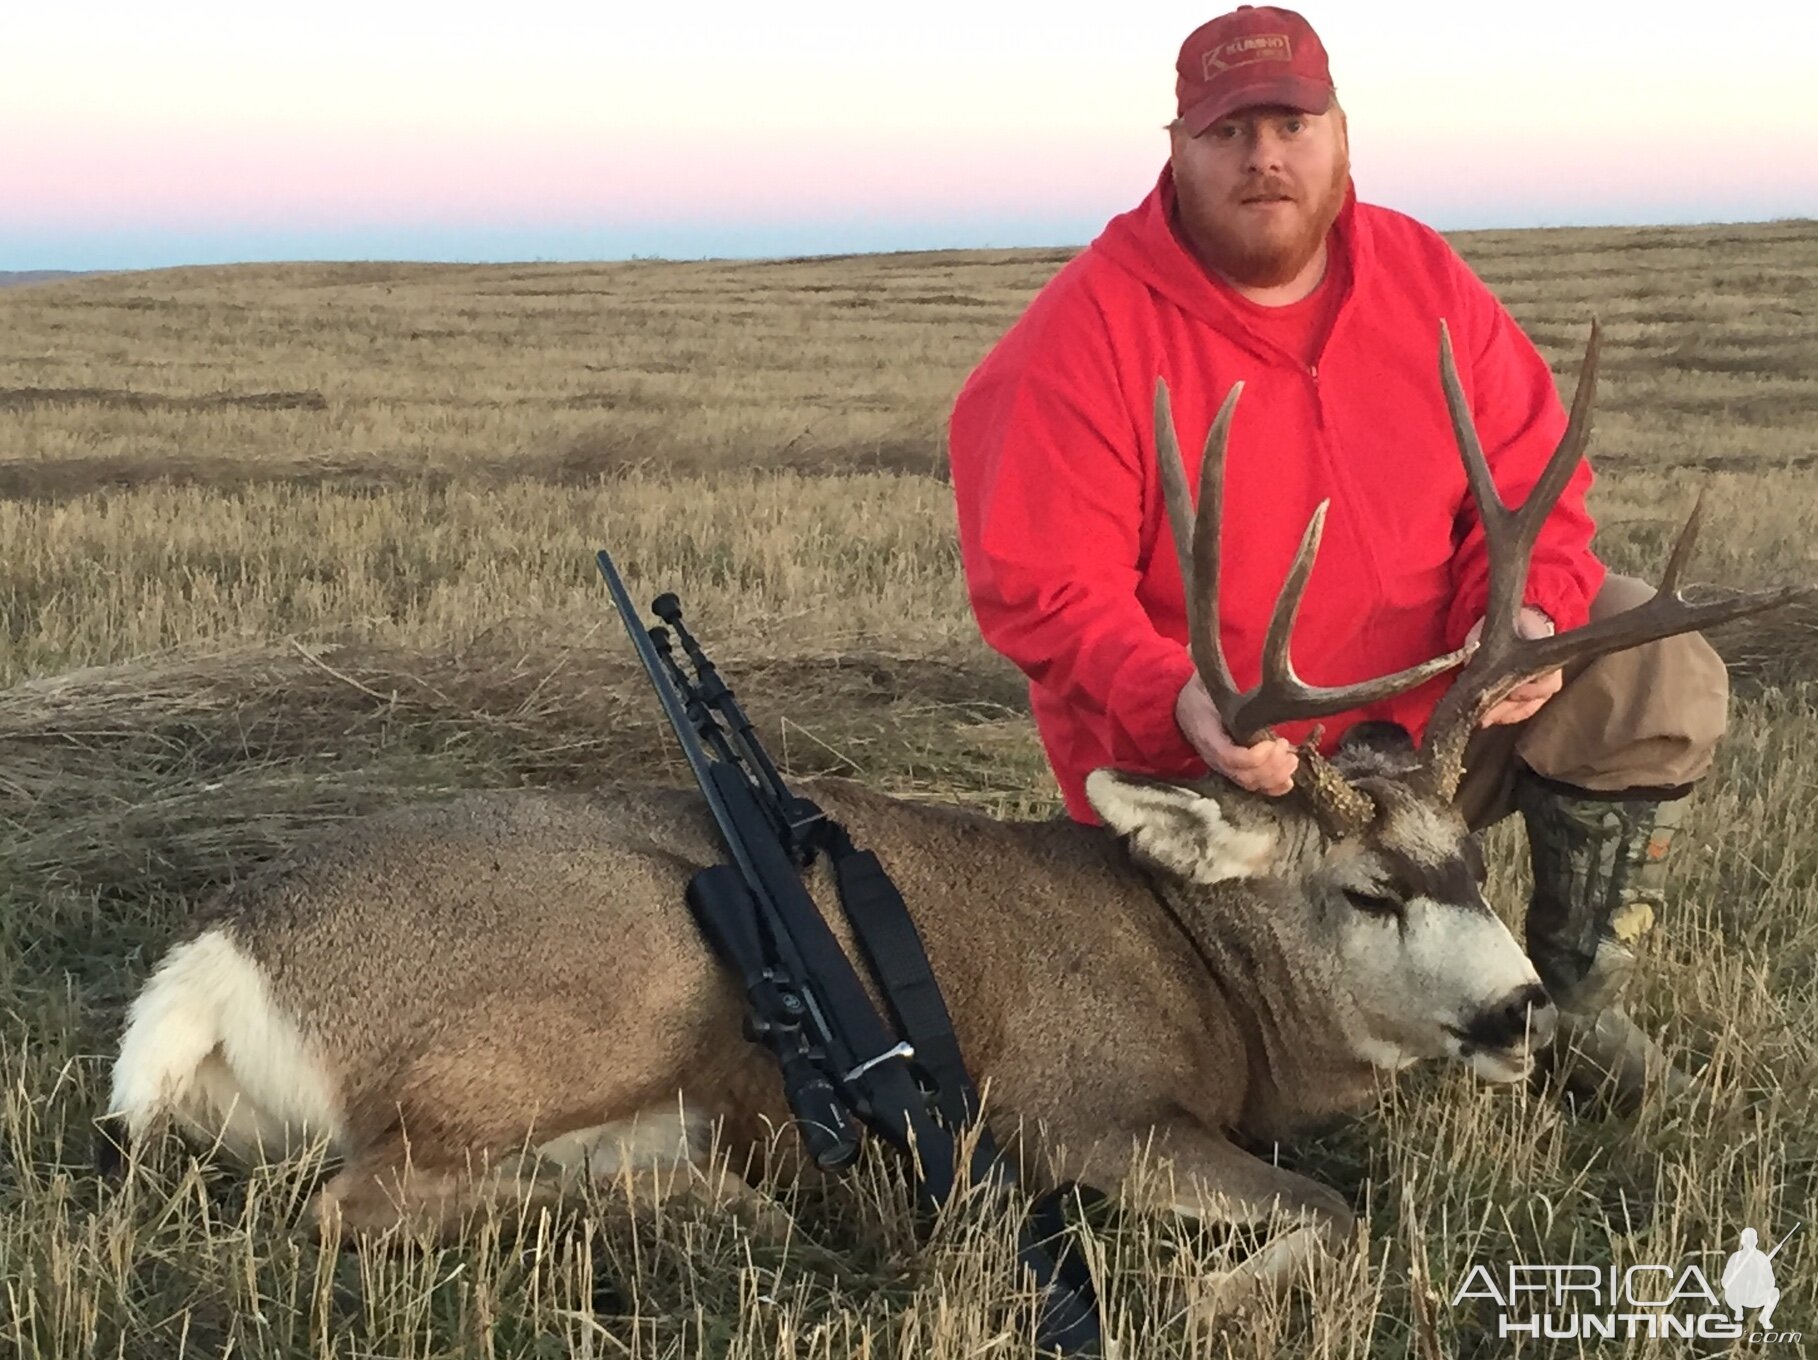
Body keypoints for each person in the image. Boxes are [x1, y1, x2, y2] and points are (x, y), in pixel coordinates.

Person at [945, 5, 1730, 1110]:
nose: (1265, 155)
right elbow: (1042, 589)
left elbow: (1531, 483)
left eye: (1292, 123)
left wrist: (1533, 617)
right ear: (1176, 147)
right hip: (1239, 776)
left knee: (1653, 659)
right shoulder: (1083, 340)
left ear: (1341, 134)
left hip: (1431, 740)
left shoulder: (1420, 277)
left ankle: (1565, 1007)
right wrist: (1176, 698)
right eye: (1229, 132)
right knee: (1261, 1097)